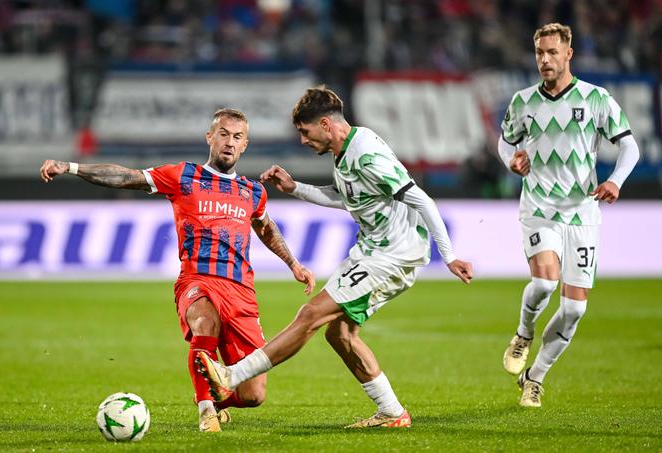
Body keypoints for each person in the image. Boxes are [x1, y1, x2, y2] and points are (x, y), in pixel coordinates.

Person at [195, 86, 473, 428]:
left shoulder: (367, 153)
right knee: (339, 333)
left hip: (392, 255)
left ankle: (231, 375)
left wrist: (449, 256)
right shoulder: (345, 153)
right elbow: (344, 197)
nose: (303, 140)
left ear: (325, 125)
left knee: (311, 314)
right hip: (372, 250)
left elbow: (422, 201)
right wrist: (295, 187)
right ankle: (392, 413)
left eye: (305, 132)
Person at [39, 108, 315, 432]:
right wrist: (70, 167)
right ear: (210, 137)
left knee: (254, 395)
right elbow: (127, 177)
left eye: (237, 137)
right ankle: (206, 411)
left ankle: (217, 397)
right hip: (197, 279)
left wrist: (293, 263)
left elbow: (266, 228)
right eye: (223, 134)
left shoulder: (252, 191)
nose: (229, 142)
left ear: (245, 145)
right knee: (204, 321)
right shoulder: (184, 175)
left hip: (241, 290)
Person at [498, 23, 639, 407]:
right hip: (539, 205)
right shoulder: (523, 101)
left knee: (574, 309)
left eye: (552, 53)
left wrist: (617, 181)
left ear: (568, 54)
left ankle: (534, 378)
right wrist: (511, 160)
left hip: (582, 212)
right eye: (540, 53)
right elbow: (505, 140)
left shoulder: (596, 99)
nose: (545, 59)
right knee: (544, 284)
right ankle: (524, 334)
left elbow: (629, 147)